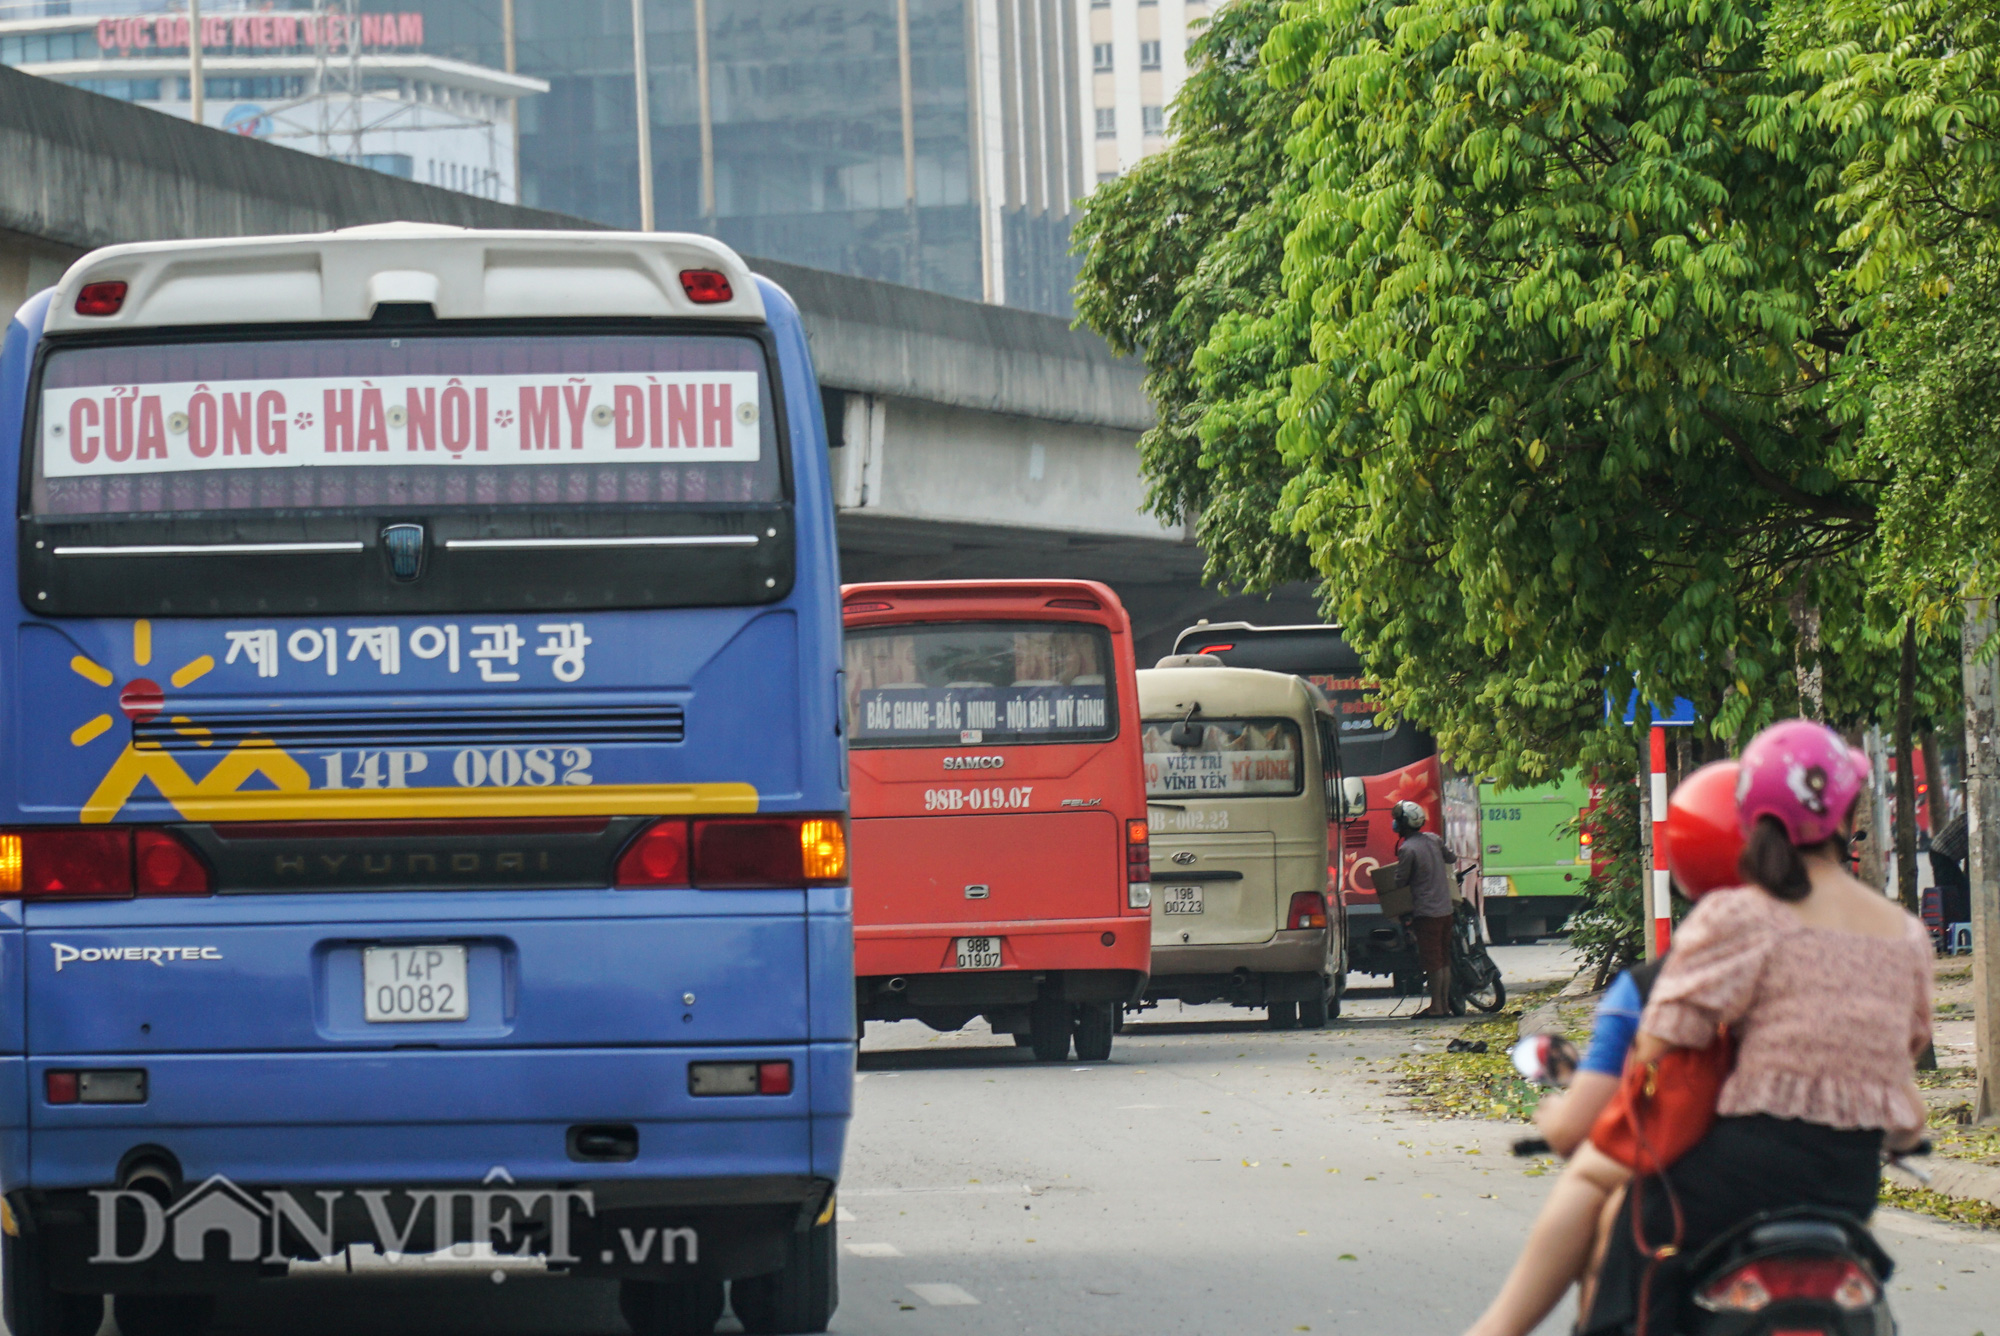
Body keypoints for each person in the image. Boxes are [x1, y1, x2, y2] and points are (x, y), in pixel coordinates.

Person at [1465, 726, 1932, 1336]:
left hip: (1739, 1173)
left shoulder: (1743, 915)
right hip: (1848, 1184)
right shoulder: (1906, 935)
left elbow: (1663, 1039)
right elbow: (1908, 1046)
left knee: (1613, 1214)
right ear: (1846, 812)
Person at [1390, 799, 1458, 1018]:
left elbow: (1400, 881)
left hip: (1427, 913)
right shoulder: (1433, 839)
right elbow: (1451, 857)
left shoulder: (1407, 849)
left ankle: (1437, 1007)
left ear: (1404, 824)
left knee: (1433, 962)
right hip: (1446, 909)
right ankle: (1444, 1005)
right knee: (1444, 958)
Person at [1930, 809, 1971, 937]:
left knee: (1960, 891)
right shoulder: (1976, 821)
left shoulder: (1971, 815)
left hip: (1942, 853)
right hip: (1943, 855)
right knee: (1951, 897)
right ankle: (1950, 934)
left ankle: (1959, 929)